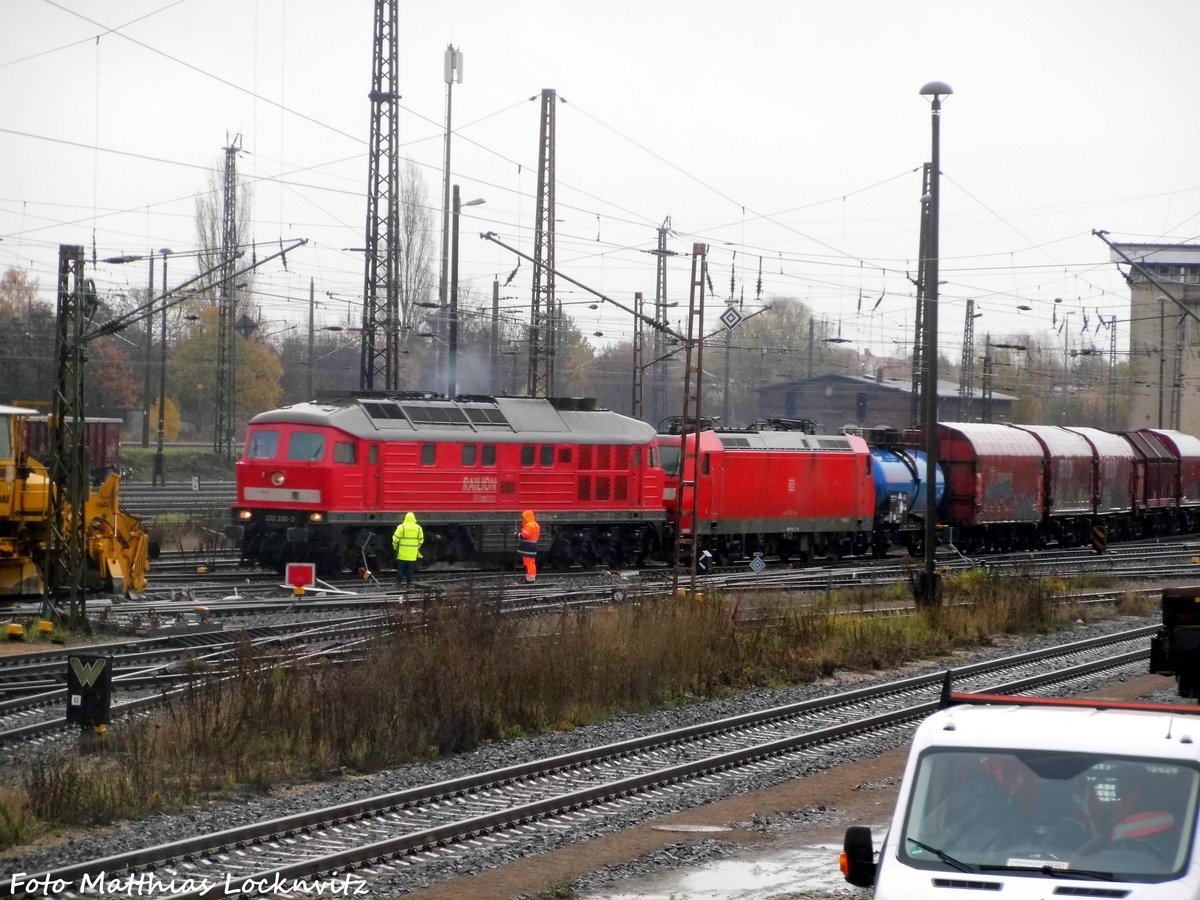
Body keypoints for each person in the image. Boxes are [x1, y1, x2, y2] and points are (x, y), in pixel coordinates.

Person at [391, 511, 424, 589]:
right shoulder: (418, 528)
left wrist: (395, 546)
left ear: (405, 518)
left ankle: (398, 584)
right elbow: (421, 540)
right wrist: (416, 547)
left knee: (400, 569)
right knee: (410, 570)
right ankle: (408, 585)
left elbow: (395, 538)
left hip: (402, 553)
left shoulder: (401, 527)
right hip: (412, 554)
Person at [517, 509, 540, 582]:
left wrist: (518, 534)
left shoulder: (528, 525)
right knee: (532, 562)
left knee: (528, 562)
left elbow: (525, 535)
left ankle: (529, 579)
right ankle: (532, 577)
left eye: (524, 517)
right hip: (534, 545)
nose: (523, 518)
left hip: (528, 546)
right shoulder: (536, 525)